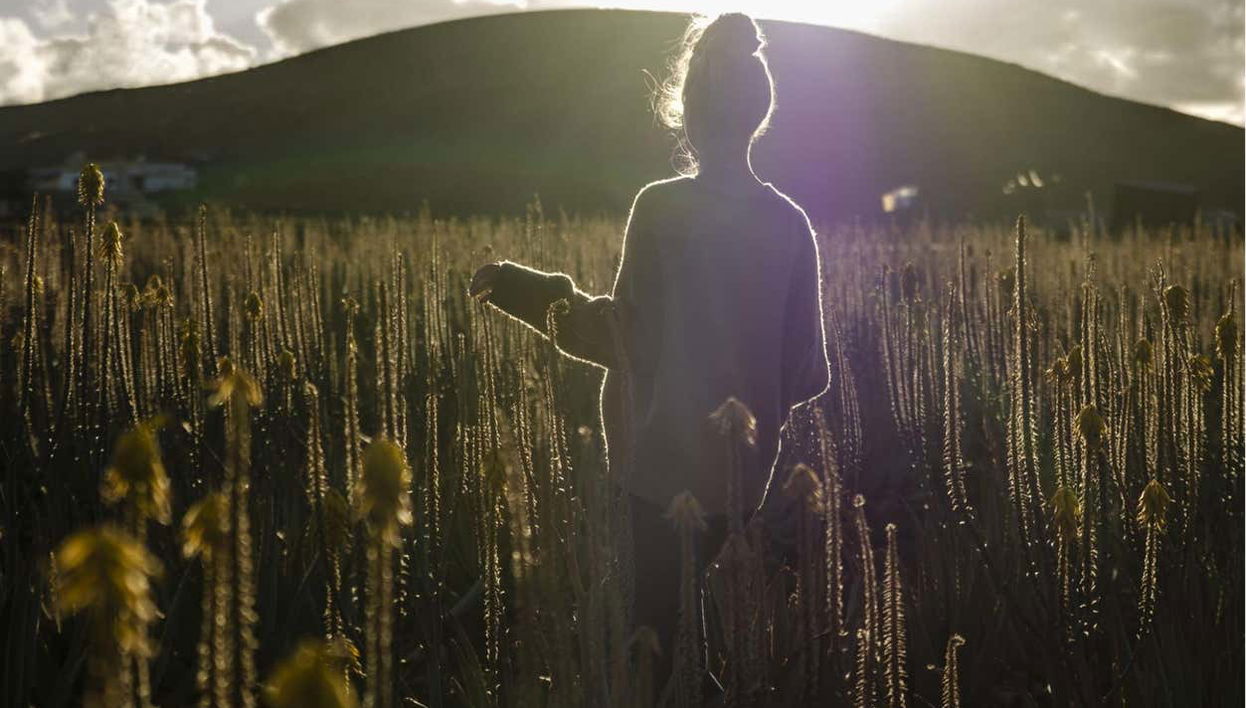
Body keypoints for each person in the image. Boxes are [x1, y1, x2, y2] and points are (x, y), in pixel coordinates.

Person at [469, 11, 829, 698]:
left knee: (652, 641)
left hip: (657, 473)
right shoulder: (790, 224)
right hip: (741, 483)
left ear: (686, 114)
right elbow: (809, 372)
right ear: (759, 112)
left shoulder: (661, 210)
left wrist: (525, 291)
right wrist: (745, 386)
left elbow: (619, 339)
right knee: (710, 635)